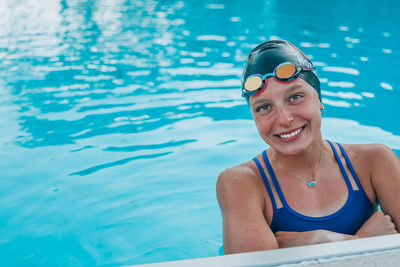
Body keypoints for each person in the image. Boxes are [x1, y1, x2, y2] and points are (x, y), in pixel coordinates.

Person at [216, 39, 400, 254]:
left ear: (319, 100)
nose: (284, 119)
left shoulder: (375, 161)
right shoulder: (240, 183)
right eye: (264, 107)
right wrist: (356, 241)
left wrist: (297, 245)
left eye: (295, 97)